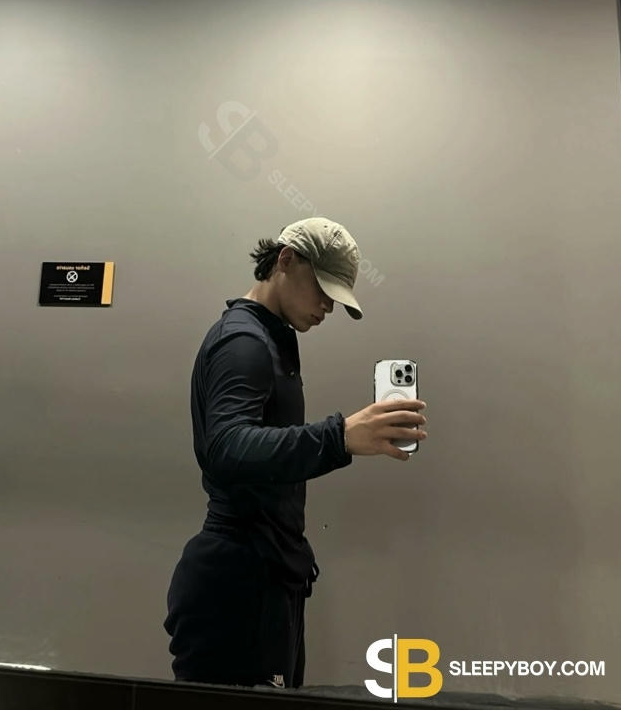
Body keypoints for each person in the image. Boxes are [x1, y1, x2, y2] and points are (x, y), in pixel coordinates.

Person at [163, 216, 428, 689]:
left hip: (263, 578)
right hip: (236, 588)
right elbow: (226, 447)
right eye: (323, 289)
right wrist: (339, 438)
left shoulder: (268, 340)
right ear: (285, 260)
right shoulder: (244, 343)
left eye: (337, 298)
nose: (327, 306)